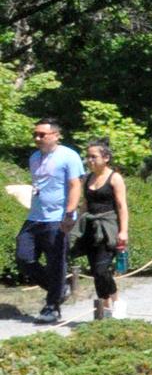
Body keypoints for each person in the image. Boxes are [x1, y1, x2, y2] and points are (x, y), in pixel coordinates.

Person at [23, 116, 84, 325]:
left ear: (56, 136)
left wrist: (69, 214)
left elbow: (76, 185)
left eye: (42, 134)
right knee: (24, 257)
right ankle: (58, 289)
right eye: (35, 135)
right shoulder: (33, 158)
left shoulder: (69, 156)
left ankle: (52, 307)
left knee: (56, 263)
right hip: (35, 217)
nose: (38, 138)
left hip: (57, 218)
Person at [78, 138, 129, 322]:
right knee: (95, 271)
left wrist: (124, 231)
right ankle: (104, 308)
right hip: (91, 228)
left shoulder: (115, 178)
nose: (90, 160)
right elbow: (85, 204)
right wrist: (76, 225)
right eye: (88, 157)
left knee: (102, 269)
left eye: (94, 156)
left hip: (108, 228)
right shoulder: (86, 178)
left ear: (106, 157)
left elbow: (122, 206)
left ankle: (116, 301)